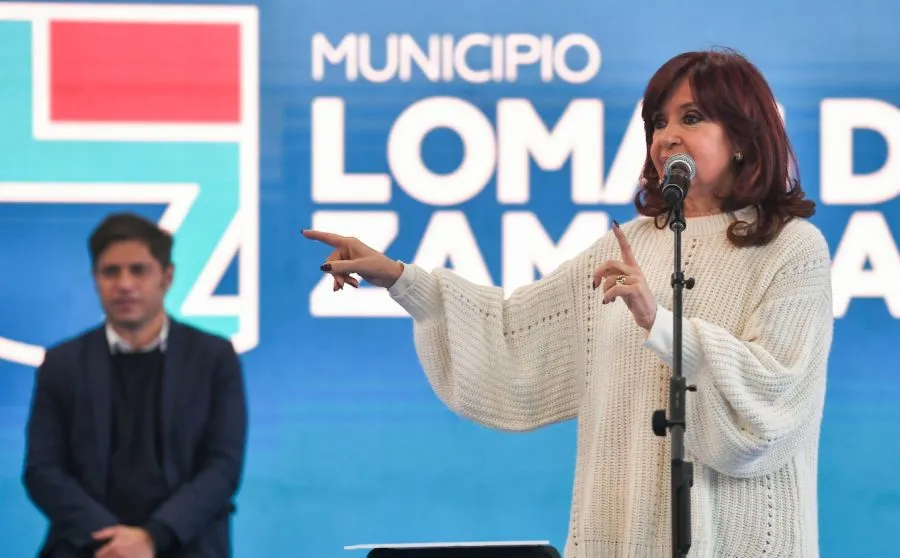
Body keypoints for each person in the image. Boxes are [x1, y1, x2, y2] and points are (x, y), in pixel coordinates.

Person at [303, 48, 833, 557]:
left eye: (691, 118)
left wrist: (661, 324)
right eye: (657, 121)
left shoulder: (791, 249)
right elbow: (513, 338)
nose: (667, 136)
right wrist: (402, 279)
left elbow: (773, 397)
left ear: (743, 136)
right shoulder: (626, 246)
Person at [22, 213, 248, 558]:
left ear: (167, 277)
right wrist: (114, 541)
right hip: (89, 545)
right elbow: (43, 470)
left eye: (139, 270)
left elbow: (222, 468)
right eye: (110, 272)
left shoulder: (213, 357)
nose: (124, 284)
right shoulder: (62, 364)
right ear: (95, 279)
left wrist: (153, 537)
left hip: (185, 544)